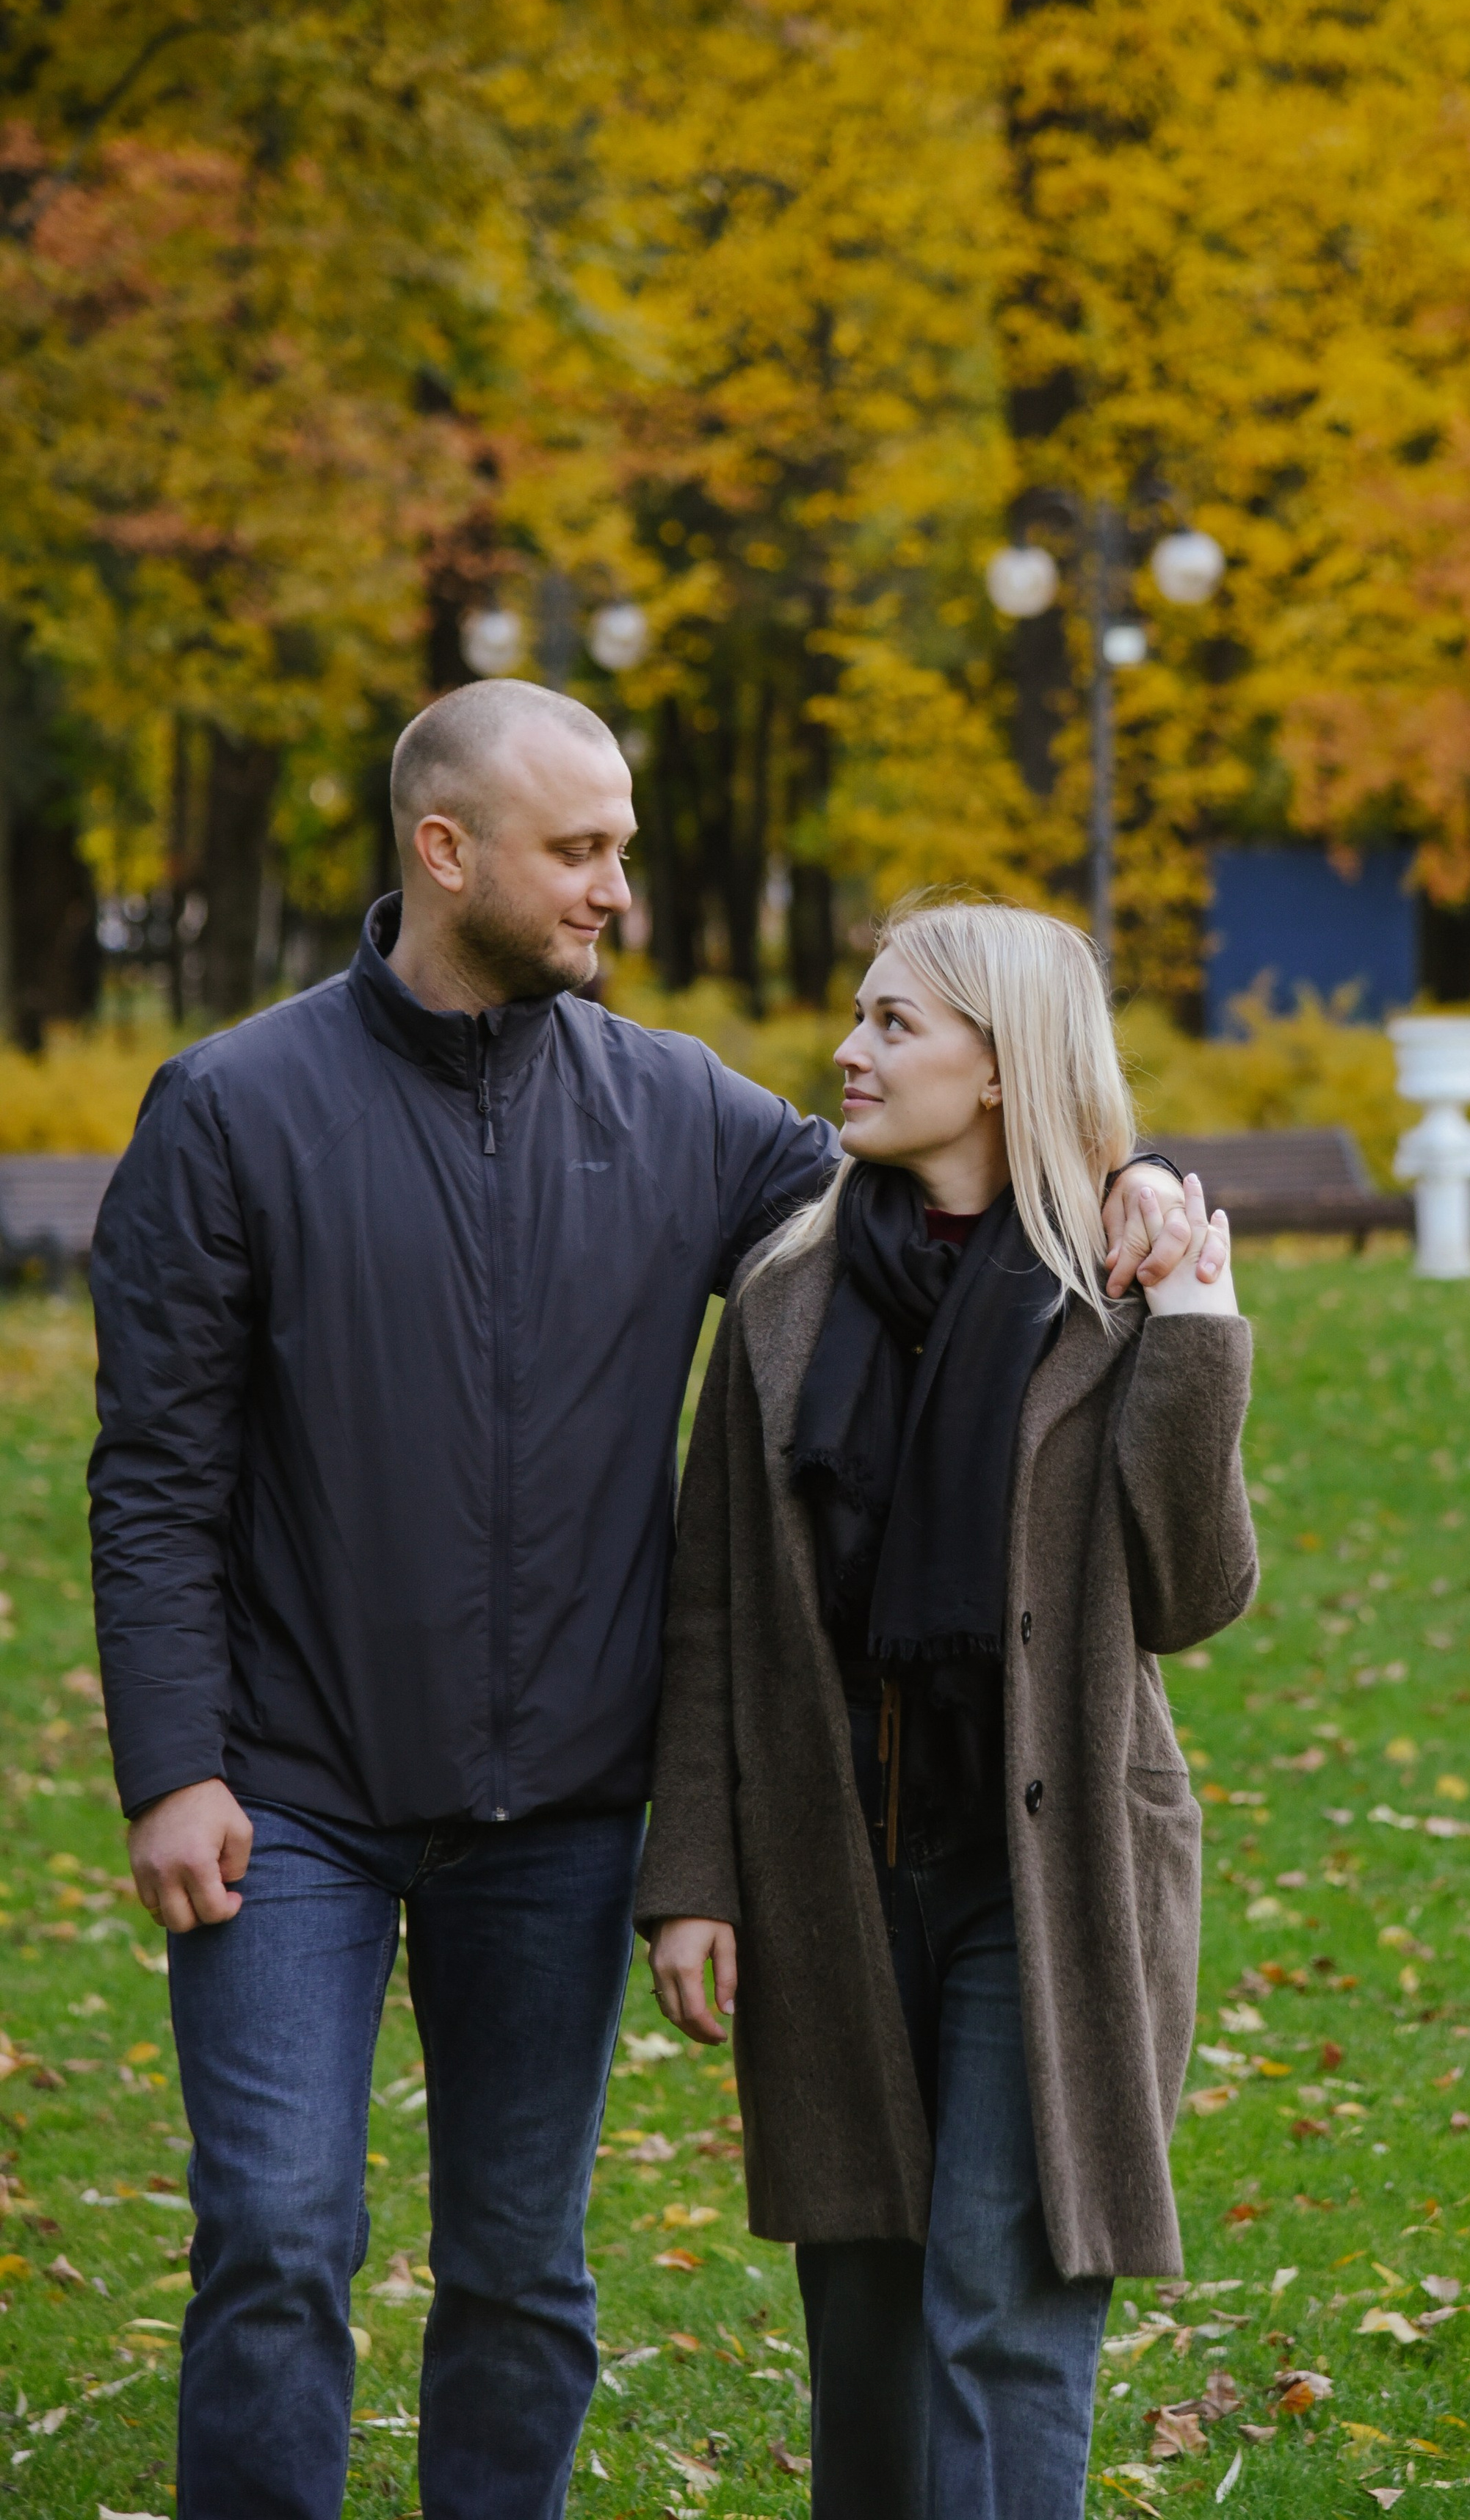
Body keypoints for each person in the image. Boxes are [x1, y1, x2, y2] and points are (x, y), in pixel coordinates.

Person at [86, 681, 1218, 2520]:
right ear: (446, 852)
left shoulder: (679, 1107)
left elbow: (947, 1195)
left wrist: (1154, 1179)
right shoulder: (230, 1107)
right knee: (278, 2239)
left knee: (522, 2275)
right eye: (580, 848)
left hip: (561, 1810)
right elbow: (153, 1469)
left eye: (620, 839)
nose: (618, 882)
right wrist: (171, 1760)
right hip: (284, 1789)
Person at [639, 897, 1259, 2520]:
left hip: (1042, 1879)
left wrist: (1194, 1330)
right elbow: (708, 1606)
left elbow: (1189, 1594)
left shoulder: (1114, 1285)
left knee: (1003, 2301)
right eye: (857, 1015)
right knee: (862, 2327)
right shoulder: (780, 1293)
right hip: (831, 1872)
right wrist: (691, 1873)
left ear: (1002, 1066)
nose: (846, 1050)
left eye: (892, 1024)